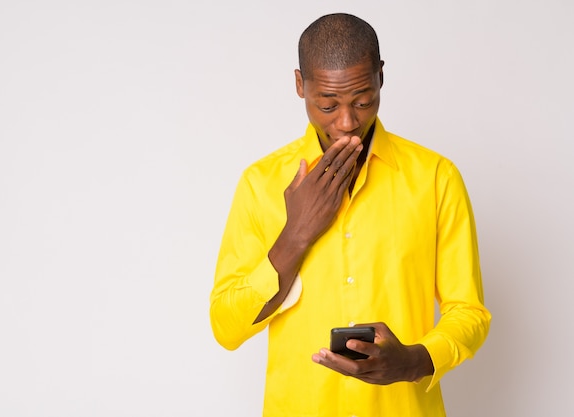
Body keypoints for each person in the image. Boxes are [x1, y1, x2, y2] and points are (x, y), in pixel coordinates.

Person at [209, 12, 491, 417]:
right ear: (299, 85)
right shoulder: (260, 183)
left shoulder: (435, 177)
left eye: (363, 101)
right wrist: (296, 237)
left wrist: (416, 360)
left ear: (380, 76)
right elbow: (226, 327)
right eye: (327, 105)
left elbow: (469, 311)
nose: (347, 123)